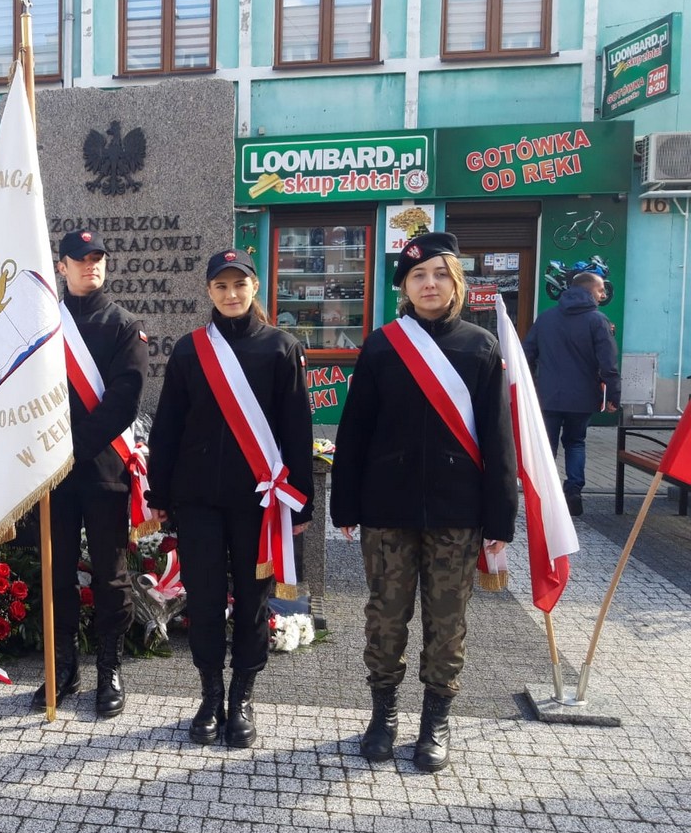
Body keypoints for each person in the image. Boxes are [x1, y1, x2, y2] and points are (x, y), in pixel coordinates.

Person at [330, 231, 517, 772]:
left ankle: (435, 720)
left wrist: (500, 516)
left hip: (458, 511)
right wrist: (345, 504)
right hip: (387, 508)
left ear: (455, 283)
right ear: (405, 287)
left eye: (439, 274)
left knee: (447, 622)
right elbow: (355, 430)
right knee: (385, 617)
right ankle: (383, 715)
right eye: (418, 276)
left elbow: (498, 438)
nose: (429, 284)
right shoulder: (382, 345)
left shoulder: (481, 347)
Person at [147, 248, 313, 748]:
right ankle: (209, 695)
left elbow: (297, 430)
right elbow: (168, 426)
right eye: (221, 286)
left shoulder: (281, 348)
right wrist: (159, 491)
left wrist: (301, 502)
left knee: (252, 601)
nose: (231, 293)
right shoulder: (190, 349)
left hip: (257, 504)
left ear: (254, 287)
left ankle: (242, 696)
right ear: (209, 291)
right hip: (197, 499)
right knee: (203, 599)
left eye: (240, 284)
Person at [33, 229, 146, 718]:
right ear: (62, 267)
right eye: (80, 259)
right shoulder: (42, 324)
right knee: (56, 572)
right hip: (51, 474)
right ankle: (63, 668)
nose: (90, 265)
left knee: (110, 575)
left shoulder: (123, 325)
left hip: (102, 468)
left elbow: (125, 398)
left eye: (97, 257)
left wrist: (72, 449)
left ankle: (108, 669)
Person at [523, 271, 620, 516]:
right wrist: (613, 396)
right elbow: (608, 364)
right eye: (600, 290)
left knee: (546, 446)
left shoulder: (546, 318)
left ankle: (545, 494)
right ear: (588, 290)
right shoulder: (597, 320)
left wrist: (530, 386)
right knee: (576, 442)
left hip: (548, 396)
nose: (603, 295)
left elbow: (526, 354)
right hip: (583, 397)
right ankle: (574, 492)